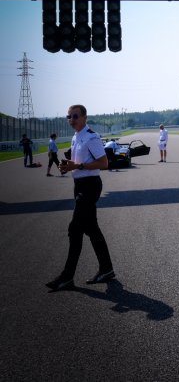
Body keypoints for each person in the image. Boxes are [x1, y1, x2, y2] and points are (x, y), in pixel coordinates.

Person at [46, 104, 114, 291]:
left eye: (75, 116)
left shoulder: (92, 136)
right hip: (79, 186)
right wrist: (67, 165)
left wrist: (78, 166)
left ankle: (67, 276)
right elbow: (78, 163)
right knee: (91, 229)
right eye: (69, 116)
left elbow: (104, 163)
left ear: (85, 117)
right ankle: (107, 268)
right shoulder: (76, 136)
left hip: (90, 186)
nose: (71, 120)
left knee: (74, 228)